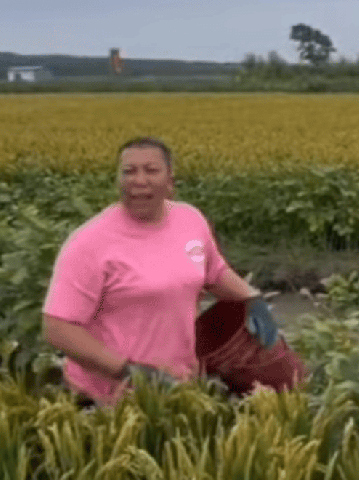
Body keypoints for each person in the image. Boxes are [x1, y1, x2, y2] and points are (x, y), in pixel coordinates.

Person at [42, 136, 282, 408]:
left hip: (178, 386)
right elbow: (57, 328)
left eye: (151, 170)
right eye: (129, 171)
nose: (139, 180)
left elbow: (213, 271)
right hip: (110, 398)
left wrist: (251, 297)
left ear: (170, 180)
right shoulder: (89, 243)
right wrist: (129, 371)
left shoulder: (189, 220)